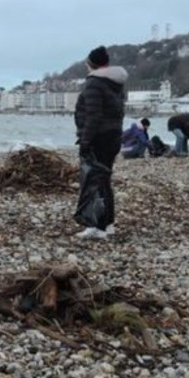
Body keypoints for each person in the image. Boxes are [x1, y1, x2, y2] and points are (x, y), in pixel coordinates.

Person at [74, 45, 127, 239]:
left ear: (91, 64)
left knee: (94, 181)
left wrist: (85, 141)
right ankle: (108, 223)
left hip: (99, 138)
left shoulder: (94, 83)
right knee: (104, 180)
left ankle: (97, 225)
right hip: (113, 136)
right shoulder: (115, 83)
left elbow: (93, 116)